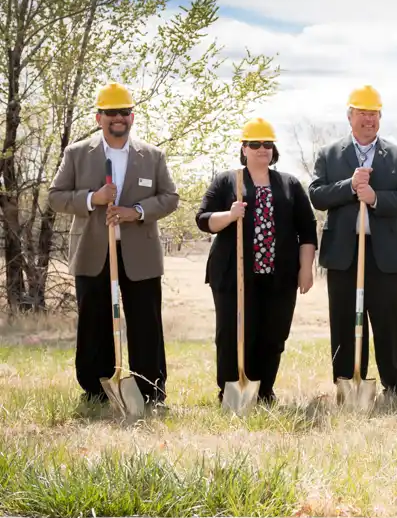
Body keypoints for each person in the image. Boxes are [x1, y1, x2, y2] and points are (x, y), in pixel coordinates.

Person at [48, 82, 179, 407]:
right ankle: (95, 390)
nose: (118, 118)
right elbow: (55, 197)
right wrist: (94, 199)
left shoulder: (152, 156)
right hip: (94, 251)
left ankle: (150, 389)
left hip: (140, 254)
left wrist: (135, 212)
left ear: (132, 117)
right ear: (98, 117)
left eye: (124, 112)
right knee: (94, 320)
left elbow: (170, 198)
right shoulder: (77, 154)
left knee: (145, 321)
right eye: (111, 113)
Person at [195, 118, 317, 406]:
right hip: (233, 274)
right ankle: (232, 392)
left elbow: (307, 228)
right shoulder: (228, 181)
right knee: (233, 334)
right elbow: (203, 220)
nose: (262, 149)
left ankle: (264, 391)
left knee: (273, 334)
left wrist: (306, 268)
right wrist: (229, 215)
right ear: (244, 148)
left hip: (279, 275)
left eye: (267, 144)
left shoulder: (289, 184)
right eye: (255, 144)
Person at [308, 85, 397, 397]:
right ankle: (347, 382)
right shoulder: (329, 155)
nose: (368, 119)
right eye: (362, 113)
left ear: (380, 117)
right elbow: (316, 195)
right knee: (344, 318)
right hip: (344, 252)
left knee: (391, 319)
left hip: (386, 254)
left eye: (374, 114)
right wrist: (349, 186)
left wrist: (374, 198)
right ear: (350, 116)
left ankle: (396, 385)